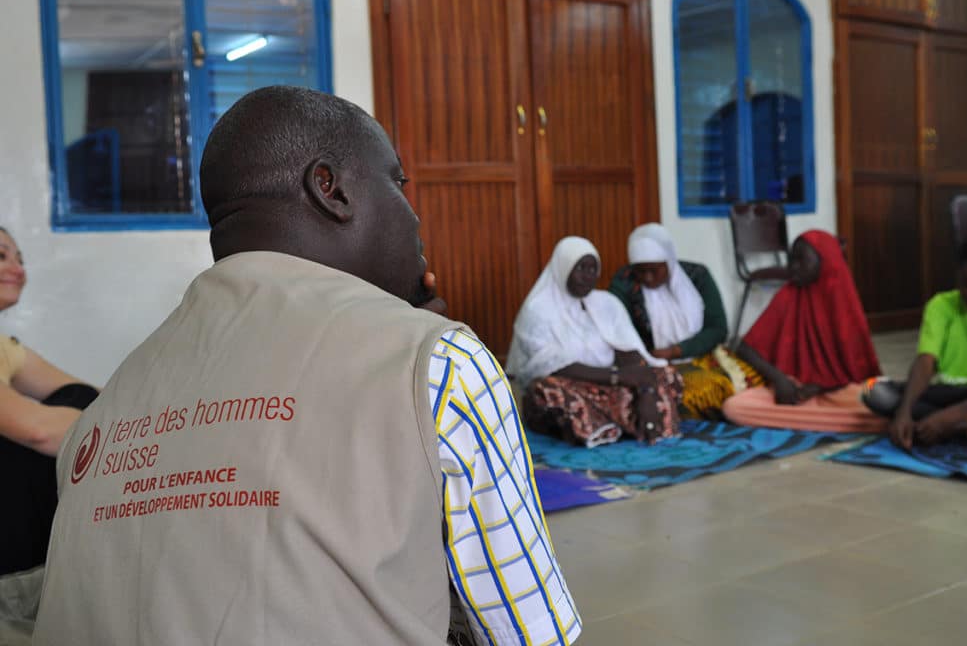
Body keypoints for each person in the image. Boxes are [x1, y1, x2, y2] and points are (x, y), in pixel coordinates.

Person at [33, 87, 580, 646]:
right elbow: (530, 634)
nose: (414, 217)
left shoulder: (108, 408)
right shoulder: (439, 363)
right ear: (331, 190)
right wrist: (408, 336)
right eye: (397, 184)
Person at [506, 236, 684, 447]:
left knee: (667, 376)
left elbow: (628, 347)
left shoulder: (606, 303)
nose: (588, 276)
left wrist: (645, 388)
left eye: (593, 269)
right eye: (580, 268)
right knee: (549, 391)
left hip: (611, 381)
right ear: (563, 267)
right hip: (571, 383)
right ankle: (619, 424)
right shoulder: (539, 309)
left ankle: (624, 423)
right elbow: (548, 364)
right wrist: (618, 377)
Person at [0, 227, 99, 576]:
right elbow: (40, 432)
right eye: (1, 256)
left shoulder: (5, 347)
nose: (18, 269)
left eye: (20, 259)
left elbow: (98, 398)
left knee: (80, 399)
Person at [864, 235, 967, 449]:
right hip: (946, 392)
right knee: (873, 391)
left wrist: (953, 415)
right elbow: (925, 362)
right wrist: (904, 412)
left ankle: (953, 424)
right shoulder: (941, 305)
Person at [722, 230, 886, 432]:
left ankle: (810, 420)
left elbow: (858, 370)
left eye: (802, 261)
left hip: (837, 393)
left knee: (874, 399)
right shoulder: (788, 295)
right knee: (734, 407)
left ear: (824, 261)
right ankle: (835, 422)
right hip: (792, 391)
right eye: (791, 260)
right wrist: (780, 379)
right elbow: (744, 348)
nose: (793, 267)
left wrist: (820, 387)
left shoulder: (841, 298)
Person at [610, 223, 739, 419]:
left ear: (668, 261)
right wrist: (651, 358)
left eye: (654, 269)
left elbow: (718, 328)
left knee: (730, 382)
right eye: (640, 271)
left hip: (701, 356)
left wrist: (677, 351)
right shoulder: (624, 283)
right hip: (650, 365)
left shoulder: (698, 277)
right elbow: (617, 331)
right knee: (674, 393)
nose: (647, 277)